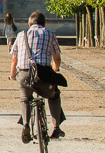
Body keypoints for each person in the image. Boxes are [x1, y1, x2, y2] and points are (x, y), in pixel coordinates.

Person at [9, 11, 65, 143]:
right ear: (44, 24)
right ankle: (56, 127)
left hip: (24, 74)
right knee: (54, 96)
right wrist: (55, 69)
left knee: (25, 99)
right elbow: (57, 58)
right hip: (43, 75)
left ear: (29, 24)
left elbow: (14, 59)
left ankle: (26, 125)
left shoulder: (21, 35)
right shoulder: (50, 34)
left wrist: (12, 75)